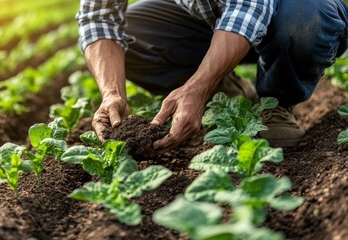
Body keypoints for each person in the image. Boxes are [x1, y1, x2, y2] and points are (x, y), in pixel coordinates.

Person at [76, 0, 348, 151]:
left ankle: (276, 101)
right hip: (210, 19)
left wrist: (197, 87)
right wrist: (112, 93)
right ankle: (224, 88)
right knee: (133, 31)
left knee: (308, 17)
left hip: (287, 12)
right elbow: (98, 18)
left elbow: (248, 8)